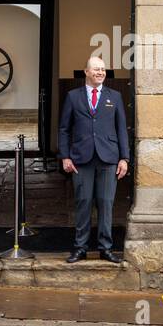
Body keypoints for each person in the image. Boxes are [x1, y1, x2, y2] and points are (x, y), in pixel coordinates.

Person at [58, 56, 129, 263]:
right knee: (83, 202)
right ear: (86, 72)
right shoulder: (73, 97)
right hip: (81, 158)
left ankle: (105, 248)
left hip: (108, 159)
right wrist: (65, 156)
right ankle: (80, 247)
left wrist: (124, 158)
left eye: (103, 69)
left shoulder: (114, 97)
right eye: (96, 69)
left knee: (106, 203)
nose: (100, 72)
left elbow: (121, 129)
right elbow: (64, 129)